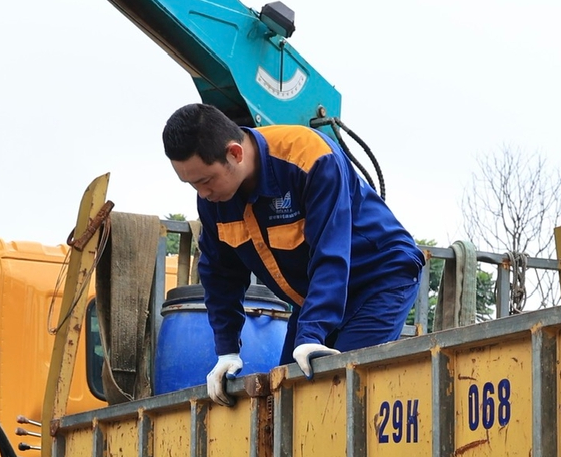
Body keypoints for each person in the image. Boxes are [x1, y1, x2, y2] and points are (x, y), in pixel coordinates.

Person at [162, 102, 424, 405]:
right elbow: (219, 276)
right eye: (191, 184)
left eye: (205, 180)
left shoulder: (309, 157)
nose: (202, 193)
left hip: (379, 279)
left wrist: (311, 335)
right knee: (286, 399)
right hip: (315, 294)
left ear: (235, 153)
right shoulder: (214, 198)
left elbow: (331, 253)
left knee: (334, 392)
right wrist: (227, 351)